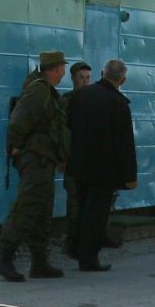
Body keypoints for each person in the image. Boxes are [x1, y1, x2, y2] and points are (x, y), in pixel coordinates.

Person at [0, 50, 71, 281]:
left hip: (44, 159)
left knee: (41, 211)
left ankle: (39, 262)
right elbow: (19, 119)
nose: (64, 72)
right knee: (26, 208)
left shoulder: (44, 89)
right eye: (63, 67)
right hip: (35, 159)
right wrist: (15, 146)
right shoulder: (39, 90)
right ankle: (3, 259)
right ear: (57, 68)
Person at [65, 59, 138, 272]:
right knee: (96, 213)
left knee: (82, 208)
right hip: (103, 169)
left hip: (79, 164)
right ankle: (88, 258)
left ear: (101, 73)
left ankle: (76, 248)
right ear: (122, 79)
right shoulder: (118, 103)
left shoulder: (81, 95)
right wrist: (130, 176)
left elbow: (68, 126)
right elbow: (125, 144)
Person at [60, 61, 91, 257]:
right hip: (72, 158)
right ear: (73, 79)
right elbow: (61, 131)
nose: (85, 81)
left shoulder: (92, 98)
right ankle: (72, 243)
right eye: (82, 78)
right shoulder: (67, 101)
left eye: (88, 77)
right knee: (74, 202)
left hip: (88, 158)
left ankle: (83, 242)